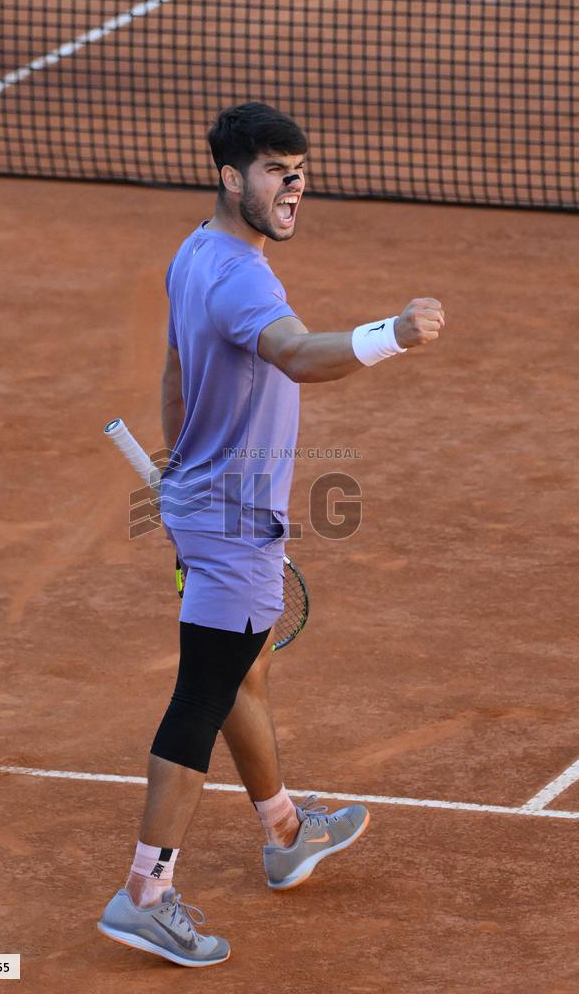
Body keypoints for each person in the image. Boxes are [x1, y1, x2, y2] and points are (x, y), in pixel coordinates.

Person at [98, 102, 444, 967]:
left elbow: (176, 366)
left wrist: (179, 464)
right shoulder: (244, 281)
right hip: (236, 526)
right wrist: (393, 336)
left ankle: (287, 832)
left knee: (240, 671)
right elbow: (295, 353)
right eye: (274, 172)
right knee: (201, 696)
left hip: (204, 504)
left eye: (300, 170)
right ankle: (145, 894)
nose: (294, 186)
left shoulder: (195, 253)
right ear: (231, 177)